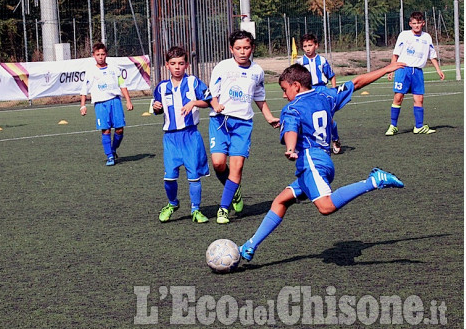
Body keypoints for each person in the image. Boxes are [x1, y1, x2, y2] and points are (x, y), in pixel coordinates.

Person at [238, 61, 407, 262]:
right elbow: (358, 82)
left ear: (296, 86)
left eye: (285, 89)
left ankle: (374, 181)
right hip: (322, 161)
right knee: (281, 201)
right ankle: (250, 245)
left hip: (310, 161)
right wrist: (387, 69)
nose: (284, 95)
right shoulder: (326, 95)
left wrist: (290, 148)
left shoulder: (292, 108)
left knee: (326, 206)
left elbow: (291, 129)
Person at [208, 30, 280, 224]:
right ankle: (235, 190)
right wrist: (216, 105)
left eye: (246, 48)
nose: (242, 52)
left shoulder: (257, 71)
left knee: (237, 167)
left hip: (243, 123)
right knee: (218, 163)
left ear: (252, 48)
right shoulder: (222, 67)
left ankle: (223, 209)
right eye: (238, 48)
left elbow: (259, 97)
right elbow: (211, 93)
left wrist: (269, 117)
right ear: (231, 49)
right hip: (220, 121)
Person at [153, 47, 212, 223]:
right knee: (169, 176)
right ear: (167, 65)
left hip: (190, 135)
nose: (177, 67)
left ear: (186, 64)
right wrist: (157, 108)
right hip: (170, 138)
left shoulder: (194, 82)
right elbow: (157, 108)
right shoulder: (162, 87)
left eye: (180, 63)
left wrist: (194, 103)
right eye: (173, 64)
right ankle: (172, 203)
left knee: (193, 175)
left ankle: (196, 210)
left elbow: (209, 101)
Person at [385, 11, 445, 136]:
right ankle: (393, 126)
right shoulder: (404, 35)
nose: (416, 25)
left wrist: (438, 70)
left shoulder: (427, 37)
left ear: (423, 23)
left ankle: (419, 126)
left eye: (418, 23)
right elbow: (395, 54)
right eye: (414, 23)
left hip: (417, 72)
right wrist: (391, 69)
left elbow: (432, 56)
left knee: (419, 99)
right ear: (410, 24)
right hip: (403, 70)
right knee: (398, 97)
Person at [80, 42, 134, 166]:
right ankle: (109, 156)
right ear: (94, 55)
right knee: (106, 130)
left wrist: (128, 100)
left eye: (103, 54)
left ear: (106, 55)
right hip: (100, 104)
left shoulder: (114, 69)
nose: (100, 57)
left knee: (119, 130)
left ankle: (113, 149)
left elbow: (122, 84)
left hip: (115, 101)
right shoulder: (91, 71)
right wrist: (83, 105)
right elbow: (84, 89)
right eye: (98, 54)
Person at [298, 33, 342, 154]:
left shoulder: (322, 60)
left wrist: (334, 91)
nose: (307, 48)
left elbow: (331, 76)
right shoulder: (300, 62)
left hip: (322, 91)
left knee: (328, 118)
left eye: (310, 45)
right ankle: (311, 144)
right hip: (307, 92)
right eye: (305, 46)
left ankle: (336, 139)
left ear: (316, 45)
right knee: (308, 118)